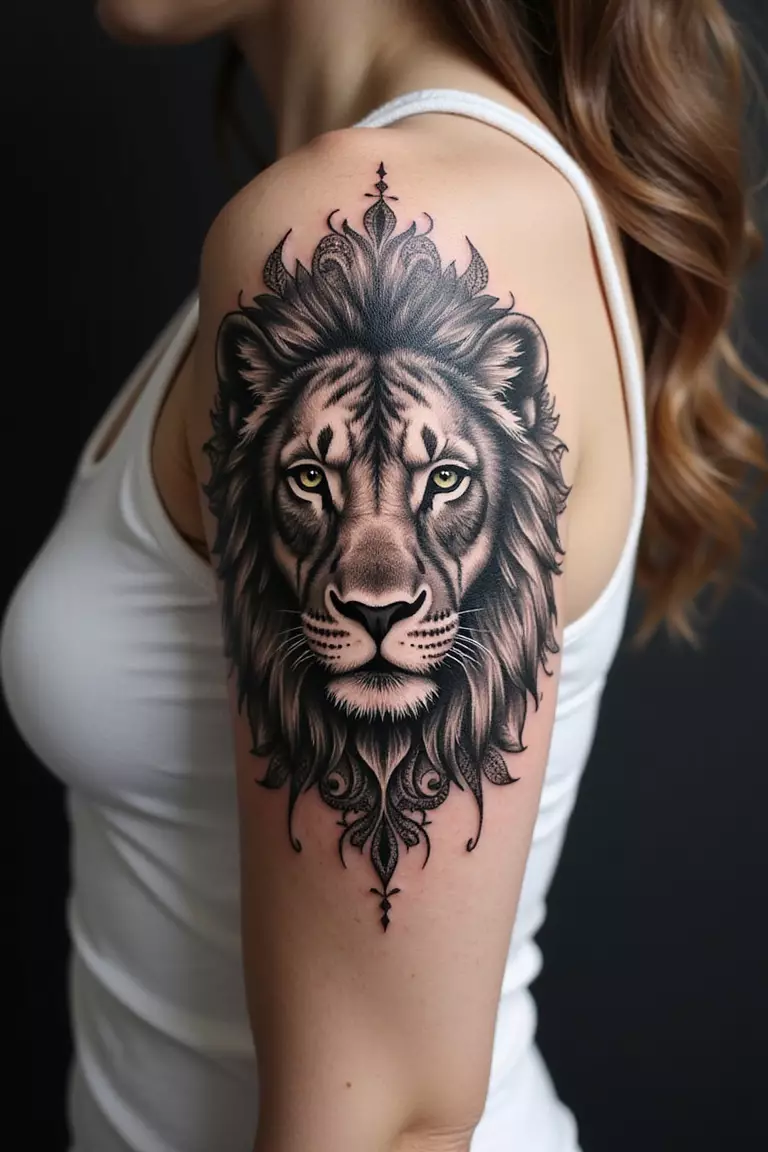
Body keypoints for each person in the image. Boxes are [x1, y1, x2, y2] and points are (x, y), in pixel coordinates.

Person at [3, 1, 764, 1150]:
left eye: (439, 481)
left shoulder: (394, 237)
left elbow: (392, 1128)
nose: (373, 584)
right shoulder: (354, 224)